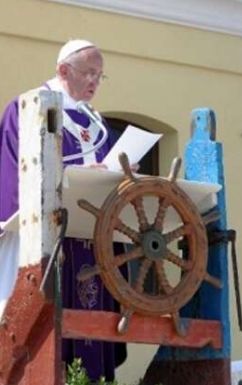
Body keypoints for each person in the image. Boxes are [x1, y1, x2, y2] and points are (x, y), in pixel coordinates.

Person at [0, 39, 126, 381]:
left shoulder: (96, 123)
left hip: (92, 238)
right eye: (89, 73)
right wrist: (82, 176)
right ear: (63, 70)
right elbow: (18, 174)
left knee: (92, 326)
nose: (95, 83)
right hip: (50, 239)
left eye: (101, 76)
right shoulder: (26, 108)